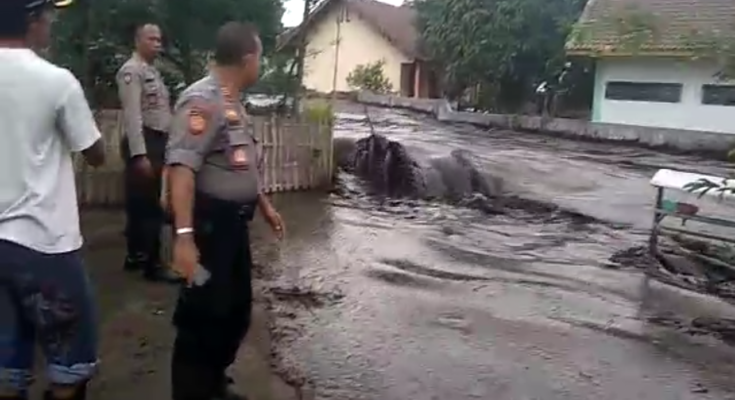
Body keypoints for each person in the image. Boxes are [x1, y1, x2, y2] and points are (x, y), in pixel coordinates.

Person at [166, 22, 284, 400]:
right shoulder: (202, 101)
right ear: (249, 58)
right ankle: (191, 391)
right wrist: (184, 239)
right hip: (207, 228)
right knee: (202, 316)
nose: (261, 64)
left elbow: (240, 164)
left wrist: (262, 204)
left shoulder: (231, 100)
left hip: (233, 228)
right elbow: (182, 170)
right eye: (261, 57)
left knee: (235, 312)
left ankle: (213, 381)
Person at [0, 1, 106, 399]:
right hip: (43, 245)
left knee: (8, 362)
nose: (52, 25)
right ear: (31, 21)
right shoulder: (56, 81)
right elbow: (95, 154)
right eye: (48, 17)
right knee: (71, 365)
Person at [116, 22, 180, 283]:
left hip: (157, 140)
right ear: (138, 41)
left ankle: (135, 256)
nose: (157, 44)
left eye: (159, 39)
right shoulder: (131, 72)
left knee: (138, 203)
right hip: (145, 141)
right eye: (151, 39)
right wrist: (139, 154)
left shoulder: (152, 71)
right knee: (152, 205)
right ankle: (154, 265)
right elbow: (132, 115)